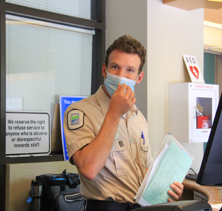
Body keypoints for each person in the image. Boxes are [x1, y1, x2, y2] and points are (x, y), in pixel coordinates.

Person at [64, 35, 183, 211]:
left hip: (141, 207)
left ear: (139, 77)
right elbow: (88, 169)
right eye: (115, 67)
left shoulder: (138, 117)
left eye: (129, 70)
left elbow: (146, 172)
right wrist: (114, 112)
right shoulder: (80, 111)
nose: (121, 76)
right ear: (104, 70)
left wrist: (165, 189)